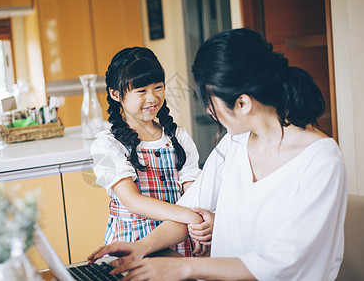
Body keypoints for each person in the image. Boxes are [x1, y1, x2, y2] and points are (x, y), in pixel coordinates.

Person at [88, 28, 347, 280]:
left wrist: (184, 268)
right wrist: (142, 248)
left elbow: (284, 262)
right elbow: (188, 208)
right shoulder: (233, 143)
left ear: (242, 103)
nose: (210, 114)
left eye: (211, 104)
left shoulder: (320, 160)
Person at [90, 47, 213, 257]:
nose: (152, 97)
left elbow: (193, 193)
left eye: (158, 87)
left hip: (179, 240)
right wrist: (191, 217)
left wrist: (202, 220)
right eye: (141, 91)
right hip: (132, 246)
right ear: (115, 94)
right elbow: (133, 201)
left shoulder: (179, 137)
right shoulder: (107, 145)